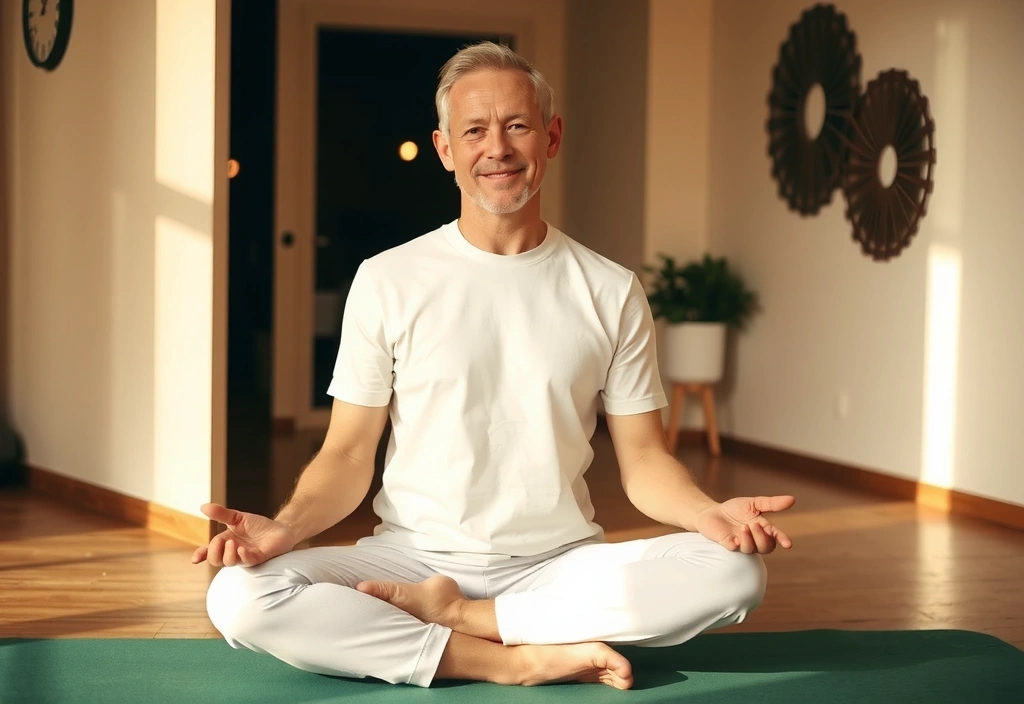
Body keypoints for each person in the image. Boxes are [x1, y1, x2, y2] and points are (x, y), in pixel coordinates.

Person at [195, 41, 795, 690]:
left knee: (736, 574)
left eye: (517, 126)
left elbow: (644, 460)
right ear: (445, 149)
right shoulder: (388, 280)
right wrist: (284, 529)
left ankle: (470, 619)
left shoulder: (610, 289)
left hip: (559, 562)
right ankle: (509, 656)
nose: (498, 149)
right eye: (474, 130)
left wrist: (707, 514)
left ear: (551, 137)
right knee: (238, 596)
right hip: (412, 556)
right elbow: (346, 454)